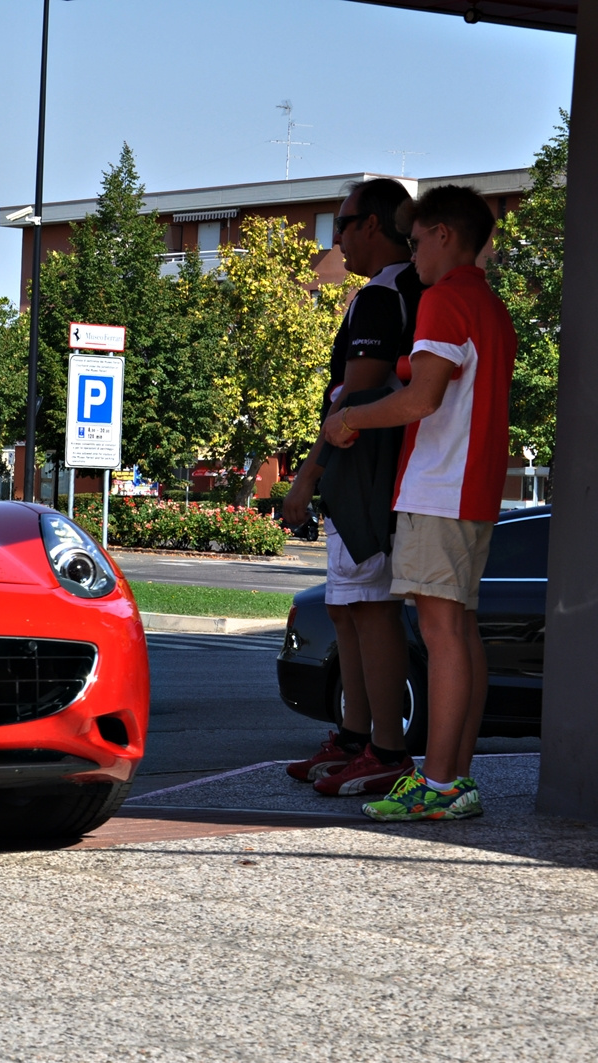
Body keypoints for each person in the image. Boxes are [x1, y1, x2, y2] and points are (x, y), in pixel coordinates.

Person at [320, 185, 517, 821]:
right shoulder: (491, 305)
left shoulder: (445, 299)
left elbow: (422, 400)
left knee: (440, 634)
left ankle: (438, 785)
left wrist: (350, 420)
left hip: (440, 483)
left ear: (442, 235)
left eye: (416, 240)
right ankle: (454, 775)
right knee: (458, 629)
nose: (411, 255)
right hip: (475, 487)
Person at [282, 178, 422, 796]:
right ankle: (356, 737)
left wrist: (306, 475)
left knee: (369, 607)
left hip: (366, 476)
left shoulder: (382, 294)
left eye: (341, 226)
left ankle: (384, 748)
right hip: (378, 473)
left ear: (372, 225)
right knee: (347, 606)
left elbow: (354, 400)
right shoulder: (406, 289)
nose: (335, 239)